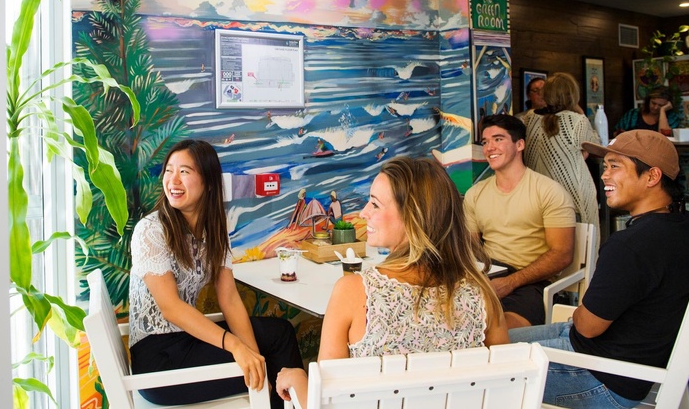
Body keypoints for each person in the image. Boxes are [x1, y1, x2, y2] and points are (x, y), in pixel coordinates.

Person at [275, 157, 509, 407]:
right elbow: (502, 390)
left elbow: (326, 404)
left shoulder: (354, 292)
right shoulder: (480, 294)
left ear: (412, 217)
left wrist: (299, 378)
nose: (364, 213)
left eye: (374, 204)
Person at [510, 130, 689, 408]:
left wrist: (584, 312)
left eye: (615, 166)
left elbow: (588, 326)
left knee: (479, 366)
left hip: (604, 378)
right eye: (605, 166)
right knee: (492, 340)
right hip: (611, 355)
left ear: (652, 177)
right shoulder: (679, 226)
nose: (605, 175)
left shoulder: (632, 245)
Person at [128, 139, 303, 408]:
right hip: (159, 363)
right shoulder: (150, 230)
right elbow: (171, 308)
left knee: (280, 333)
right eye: (169, 171)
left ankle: (279, 401)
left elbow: (229, 299)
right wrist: (235, 346)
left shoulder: (213, 231)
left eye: (184, 172)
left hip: (187, 339)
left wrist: (254, 357)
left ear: (209, 182)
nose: (173, 180)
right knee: (259, 353)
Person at [464, 114, 576, 328]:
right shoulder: (475, 193)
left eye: (498, 139)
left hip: (529, 281)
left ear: (520, 144)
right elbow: (470, 246)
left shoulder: (548, 191)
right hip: (487, 275)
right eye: (485, 142)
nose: (489, 148)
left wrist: (510, 282)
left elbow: (562, 254)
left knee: (499, 332)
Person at [523, 72, 601, 227]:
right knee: (581, 246)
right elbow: (596, 145)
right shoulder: (576, 120)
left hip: (537, 194)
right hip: (572, 193)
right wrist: (580, 112)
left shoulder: (529, 118)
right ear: (573, 94)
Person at [614, 86, 682, 137]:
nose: (655, 107)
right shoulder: (632, 114)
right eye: (653, 103)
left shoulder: (672, 118)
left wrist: (662, 111)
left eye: (660, 105)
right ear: (648, 101)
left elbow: (665, 136)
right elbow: (615, 133)